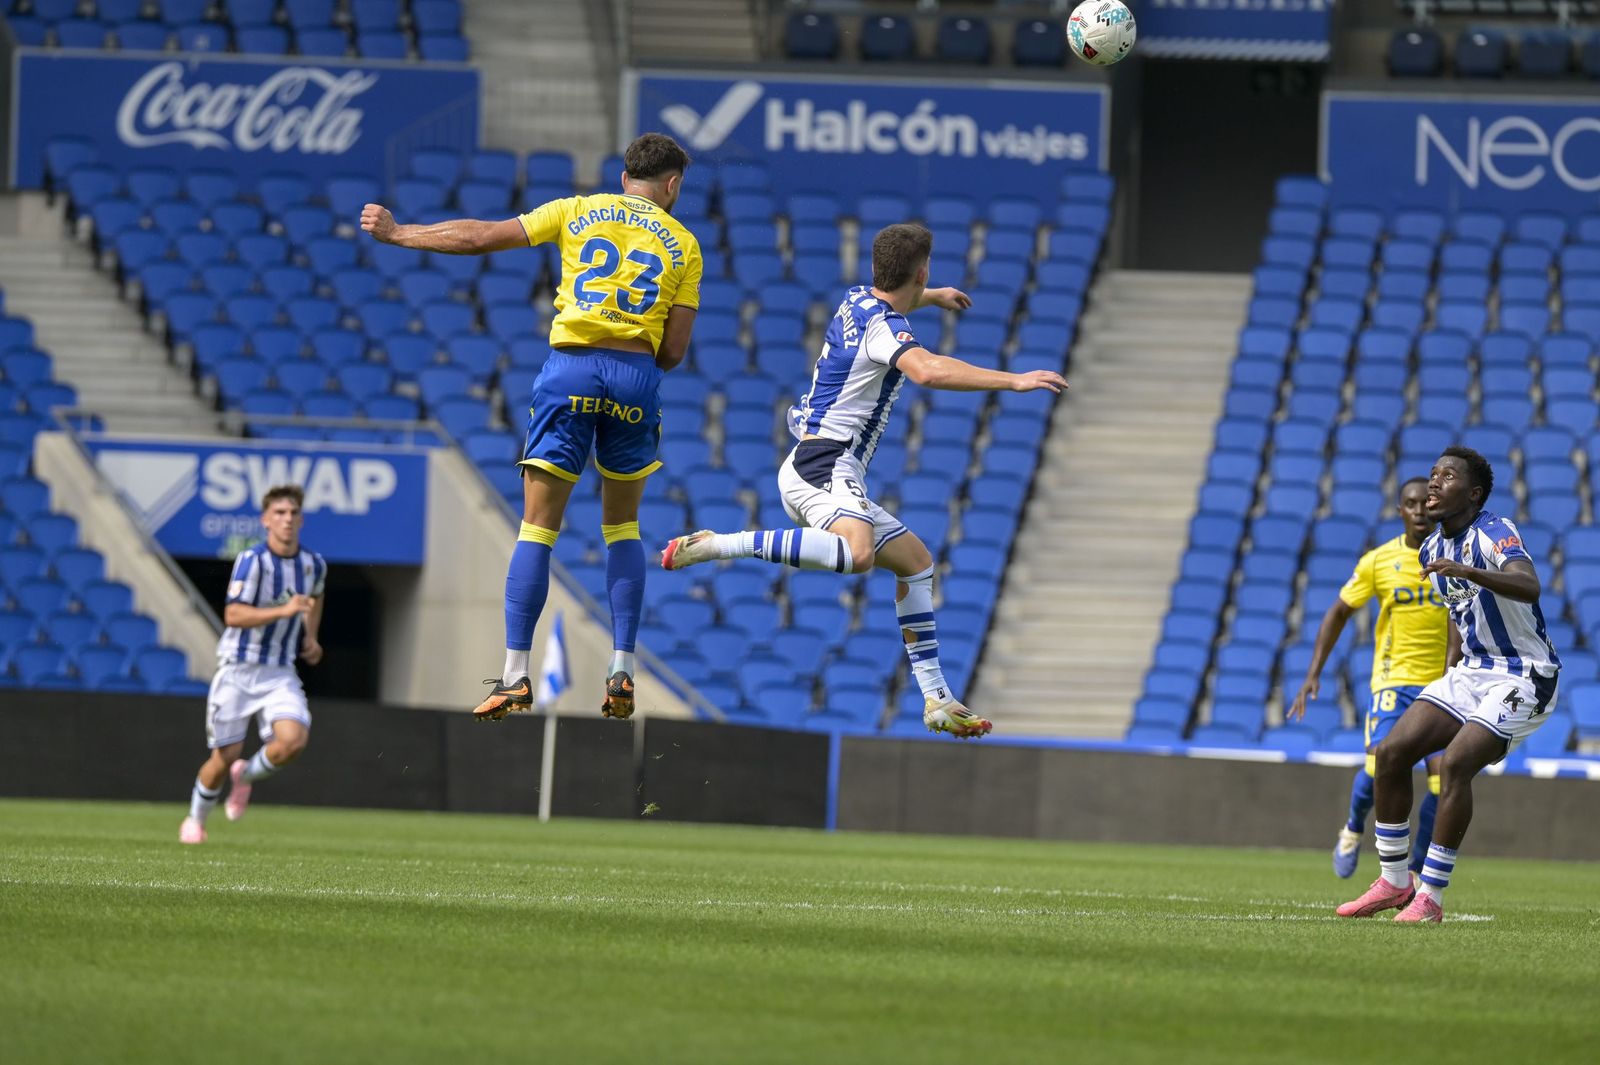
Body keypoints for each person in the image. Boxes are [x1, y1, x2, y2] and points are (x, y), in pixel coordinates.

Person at [658, 223, 1066, 738]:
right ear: (919, 271)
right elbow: (928, 371)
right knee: (859, 554)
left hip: (825, 465)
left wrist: (933, 296)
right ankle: (720, 544)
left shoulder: (857, 299)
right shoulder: (884, 329)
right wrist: (1015, 379)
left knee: (915, 563)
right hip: (823, 466)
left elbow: (893, 308)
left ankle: (937, 697)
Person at [361, 133, 701, 723]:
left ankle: (516, 674)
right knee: (622, 526)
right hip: (636, 379)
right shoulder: (685, 244)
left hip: (569, 369)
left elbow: (481, 237)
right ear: (672, 186)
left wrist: (399, 233)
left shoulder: (577, 209)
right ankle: (621, 664)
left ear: (624, 177)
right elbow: (673, 349)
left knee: (538, 528)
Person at [1337, 447, 1560, 923]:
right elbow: (1459, 614)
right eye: (1434, 473)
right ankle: (1395, 882)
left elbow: (1529, 585)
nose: (1434, 483)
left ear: (1474, 494)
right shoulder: (1432, 549)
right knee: (1392, 753)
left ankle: (1430, 897)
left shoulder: (1495, 533)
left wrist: (1472, 571)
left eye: (1448, 476)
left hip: (1524, 673)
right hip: (1472, 672)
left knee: (1455, 763)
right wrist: (1450, 672)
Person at [1289, 477, 1448, 880]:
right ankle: (1354, 827)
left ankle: (1413, 872)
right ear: (1399, 511)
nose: (1419, 511)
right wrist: (1313, 673)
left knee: (1441, 780)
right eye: (1410, 504)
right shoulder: (1378, 561)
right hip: (1394, 681)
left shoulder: (1452, 559)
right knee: (1380, 766)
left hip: (1443, 686)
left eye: (1425, 504)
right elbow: (1339, 611)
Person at [180, 485, 326, 844]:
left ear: (301, 519)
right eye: (279, 513)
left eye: (293, 513)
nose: (287, 519)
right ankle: (195, 820)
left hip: (279, 671)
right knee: (222, 757)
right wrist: (284, 610)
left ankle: (244, 779)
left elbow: (316, 596)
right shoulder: (252, 561)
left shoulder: (313, 564)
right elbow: (232, 614)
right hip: (238, 670)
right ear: (265, 520)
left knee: (293, 742)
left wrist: (310, 636)